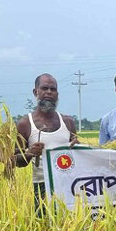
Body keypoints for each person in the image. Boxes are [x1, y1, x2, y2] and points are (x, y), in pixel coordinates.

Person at [15, 73, 78, 214]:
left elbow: (78, 155)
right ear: (35, 92)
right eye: (44, 88)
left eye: (53, 89)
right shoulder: (25, 124)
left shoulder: (68, 122)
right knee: (44, 229)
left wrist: (78, 147)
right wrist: (30, 153)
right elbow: (16, 161)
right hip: (42, 186)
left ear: (57, 94)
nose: (49, 92)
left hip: (69, 184)